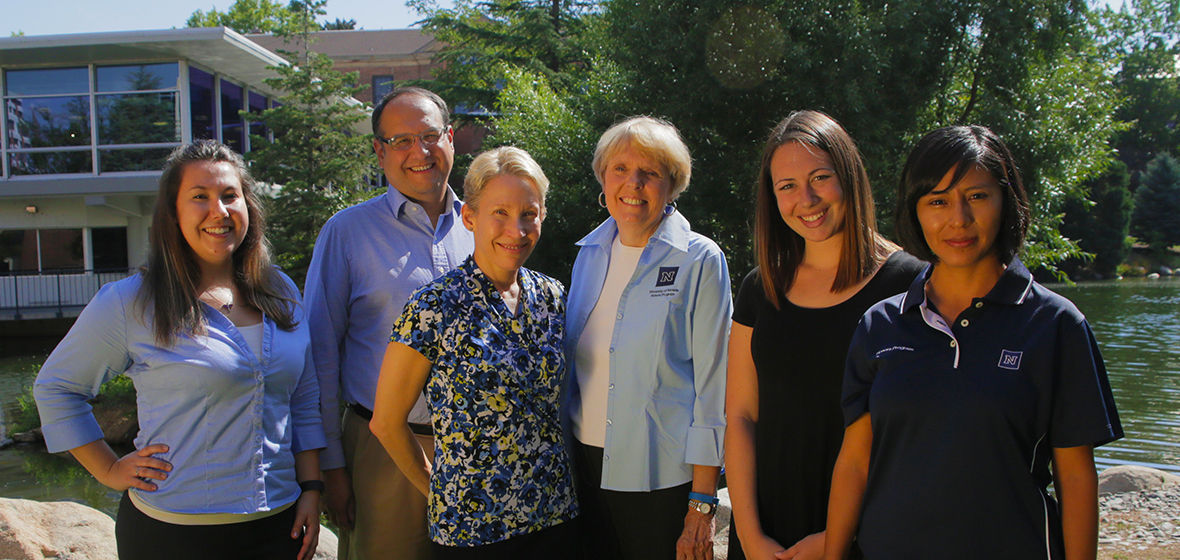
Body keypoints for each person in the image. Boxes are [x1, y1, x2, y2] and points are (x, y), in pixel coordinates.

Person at [823, 125, 1123, 560]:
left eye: (977, 196)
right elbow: (854, 462)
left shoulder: (1056, 325)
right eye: (938, 201)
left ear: (1006, 201)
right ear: (916, 211)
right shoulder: (880, 324)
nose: (958, 219)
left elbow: (1076, 478)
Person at [33, 140, 324, 560]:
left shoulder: (279, 289)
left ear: (248, 206)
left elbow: (303, 397)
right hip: (172, 534)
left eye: (229, 196)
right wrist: (110, 469)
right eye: (199, 197)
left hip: (280, 527)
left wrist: (312, 489)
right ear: (173, 213)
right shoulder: (130, 302)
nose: (218, 212)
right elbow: (57, 389)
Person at [725, 111, 924, 560]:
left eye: (820, 178)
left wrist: (839, 536)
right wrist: (752, 537)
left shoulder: (910, 284)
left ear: (850, 176)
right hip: (767, 535)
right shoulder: (761, 287)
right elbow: (739, 415)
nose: (807, 199)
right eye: (787, 187)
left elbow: (918, 435)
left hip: (866, 534)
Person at [369, 146, 578, 559]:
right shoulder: (434, 306)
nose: (516, 230)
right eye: (499, 213)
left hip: (554, 516)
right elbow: (386, 423)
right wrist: (440, 490)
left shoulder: (551, 295)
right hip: (472, 531)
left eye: (528, 214)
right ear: (470, 217)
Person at [305, 87, 473, 560]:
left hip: (476, 452)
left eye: (429, 135)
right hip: (380, 454)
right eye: (400, 141)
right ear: (379, 151)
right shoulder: (347, 233)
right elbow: (319, 357)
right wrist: (332, 468)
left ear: (451, 139)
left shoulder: (484, 227)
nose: (419, 152)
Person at [563, 116, 732, 560]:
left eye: (650, 172)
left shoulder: (700, 260)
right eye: (620, 169)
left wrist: (702, 503)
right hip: (585, 468)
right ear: (603, 177)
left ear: (672, 184)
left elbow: (714, 390)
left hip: (662, 480)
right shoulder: (589, 255)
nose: (632, 183)